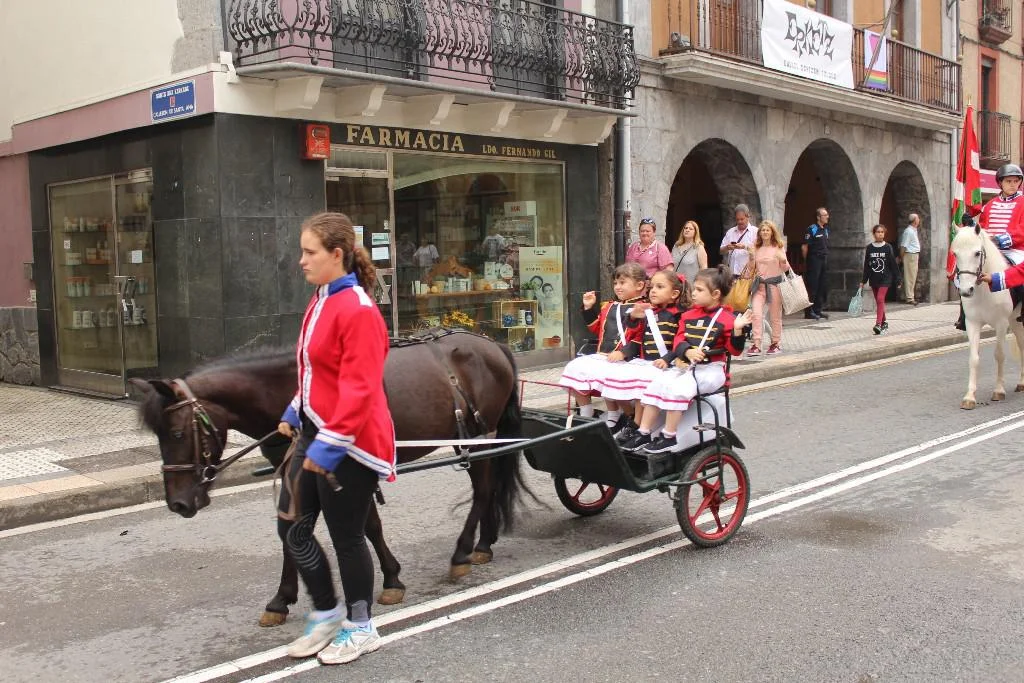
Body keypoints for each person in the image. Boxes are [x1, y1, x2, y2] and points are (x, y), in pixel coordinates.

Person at [277, 212, 395, 665]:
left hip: (352, 442)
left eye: (310, 252)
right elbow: (316, 370)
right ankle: (327, 613)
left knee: (347, 537)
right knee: (291, 527)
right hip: (316, 430)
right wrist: (295, 409)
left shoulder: (358, 310)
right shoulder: (321, 298)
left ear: (337, 254)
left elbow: (360, 388)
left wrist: (328, 446)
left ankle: (362, 627)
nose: (301, 260)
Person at [622, 266, 751, 454]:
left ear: (715, 294)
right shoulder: (688, 315)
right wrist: (688, 351)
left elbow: (735, 351)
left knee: (679, 389)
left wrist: (738, 330)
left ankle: (669, 436)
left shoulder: (728, 318)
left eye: (699, 290)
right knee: (656, 385)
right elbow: (679, 340)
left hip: (711, 370)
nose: (693, 293)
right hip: (687, 367)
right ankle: (643, 432)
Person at [598, 269, 690, 445]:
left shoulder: (680, 315)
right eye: (652, 287)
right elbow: (636, 334)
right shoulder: (650, 311)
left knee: (643, 382)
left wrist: (667, 359)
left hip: (667, 365)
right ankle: (629, 416)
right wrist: (633, 317)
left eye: (659, 287)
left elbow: (680, 342)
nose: (653, 291)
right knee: (613, 376)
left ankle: (636, 425)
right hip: (645, 361)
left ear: (674, 294)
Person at [558, 262, 647, 433]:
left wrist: (623, 353)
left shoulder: (643, 308)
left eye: (622, 282)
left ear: (639, 285)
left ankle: (620, 414)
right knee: (575, 368)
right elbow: (597, 328)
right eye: (615, 283)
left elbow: (642, 337)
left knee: (610, 376)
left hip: (629, 359)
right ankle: (586, 412)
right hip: (603, 355)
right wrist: (588, 308)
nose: (618, 287)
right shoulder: (609, 306)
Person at [956, 163, 1024, 329]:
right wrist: (971, 224)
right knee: (966, 274)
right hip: (992, 249)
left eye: (1016, 181)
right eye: (1008, 181)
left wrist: (1002, 240)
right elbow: (983, 230)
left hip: (1015, 249)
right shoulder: (990, 204)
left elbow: (1022, 230)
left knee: (1021, 275)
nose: (1012, 185)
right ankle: (965, 315)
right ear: (1000, 183)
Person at [747, 220, 790, 356]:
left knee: (775, 316)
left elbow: (786, 268)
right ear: (759, 233)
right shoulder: (756, 247)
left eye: (767, 230)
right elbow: (750, 269)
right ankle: (756, 344)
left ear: (772, 232)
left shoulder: (778, 247)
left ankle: (776, 343)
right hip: (759, 285)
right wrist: (751, 258)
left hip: (774, 285)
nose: (765, 232)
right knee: (756, 314)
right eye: (763, 230)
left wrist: (783, 260)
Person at [860, 224, 901, 335]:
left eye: (882, 232)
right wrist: (863, 280)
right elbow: (867, 266)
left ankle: (878, 324)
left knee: (880, 299)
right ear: (874, 234)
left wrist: (898, 279)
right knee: (879, 302)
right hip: (874, 279)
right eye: (878, 232)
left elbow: (893, 264)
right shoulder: (870, 248)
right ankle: (884, 322)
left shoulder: (888, 247)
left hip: (885, 278)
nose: (880, 234)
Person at [801, 207, 830, 320]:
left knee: (822, 285)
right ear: (818, 217)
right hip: (814, 260)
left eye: (827, 215)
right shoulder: (812, 229)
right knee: (812, 286)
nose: (827, 217)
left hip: (823, 260)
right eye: (825, 215)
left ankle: (818, 310)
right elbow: (804, 247)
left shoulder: (825, 229)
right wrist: (807, 260)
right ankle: (809, 312)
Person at [720, 204, 757, 277]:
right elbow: (721, 251)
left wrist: (744, 247)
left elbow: (760, 251)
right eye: (737, 219)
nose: (739, 221)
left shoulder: (755, 232)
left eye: (742, 219)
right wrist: (727, 247)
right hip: (732, 274)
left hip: (748, 275)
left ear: (748, 217)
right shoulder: (730, 232)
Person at [672, 220, 708, 284]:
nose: (687, 230)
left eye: (690, 229)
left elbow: (704, 268)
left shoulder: (699, 248)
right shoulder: (676, 246)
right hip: (676, 284)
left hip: (691, 285)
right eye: (686, 228)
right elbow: (671, 265)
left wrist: (699, 284)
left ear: (695, 232)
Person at [899, 214, 921, 305]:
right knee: (910, 277)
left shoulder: (913, 230)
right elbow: (903, 246)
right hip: (910, 255)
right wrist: (901, 257)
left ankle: (909, 296)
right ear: (915, 221)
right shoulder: (909, 231)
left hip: (913, 255)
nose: (919, 220)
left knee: (912, 276)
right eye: (918, 218)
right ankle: (909, 298)